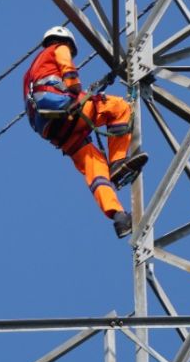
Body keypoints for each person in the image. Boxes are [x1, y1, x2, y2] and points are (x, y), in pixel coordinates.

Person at [22, 26, 146, 239]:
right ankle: (117, 162)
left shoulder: (29, 73)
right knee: (118, 107)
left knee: (95, 169)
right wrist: (74, 88)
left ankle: (118, 217)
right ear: (66, 41)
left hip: (55, 131)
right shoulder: (59, 48)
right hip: (67, 112)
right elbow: (67, 67)